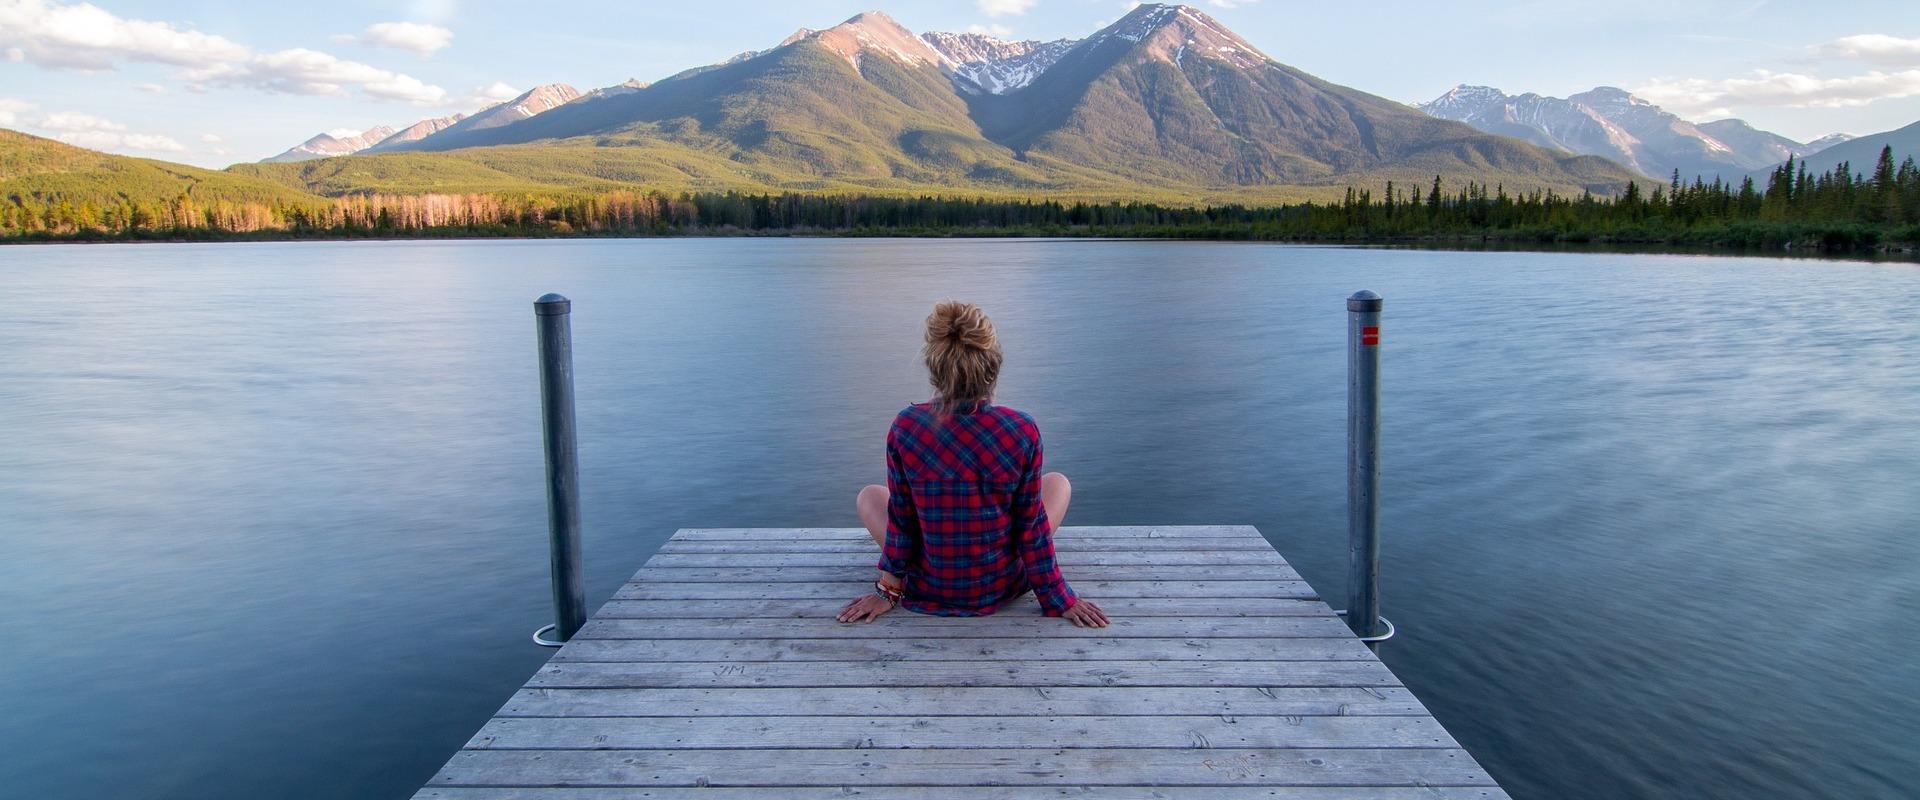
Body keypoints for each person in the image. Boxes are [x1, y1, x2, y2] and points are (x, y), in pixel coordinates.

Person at [839, 301, 1109, 628]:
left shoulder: (906, 427)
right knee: (1058, 484)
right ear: (993, 366)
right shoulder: (1021, 430)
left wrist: (887, 591)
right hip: (1000, 585)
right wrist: (1058, 597)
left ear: (934, 368)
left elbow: (902, 519)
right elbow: (1031, 527)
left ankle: (910, 578)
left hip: (929, 584)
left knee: (870, 495)